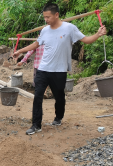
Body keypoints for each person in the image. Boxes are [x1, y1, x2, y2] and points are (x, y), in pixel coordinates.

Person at [13, 3, 107, 135]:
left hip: (59, 70)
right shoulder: (45, 30)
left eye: (48, 17)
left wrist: (98, 34)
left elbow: (86, 40)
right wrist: (20, 51)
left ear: (56, 15)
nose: (46, 20)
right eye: (45, 17)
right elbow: (36, 44)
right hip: (43, 69)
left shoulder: (69, 28)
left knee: (59, 96)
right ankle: (36, 125)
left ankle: (58, 117)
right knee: (38, 96)